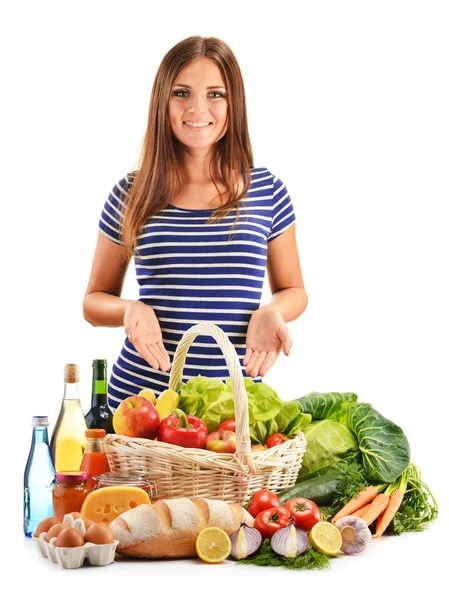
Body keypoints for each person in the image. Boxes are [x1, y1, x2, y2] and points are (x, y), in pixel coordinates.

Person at [83, 35, 308, 412]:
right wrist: (130, 310)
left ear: (233, 103)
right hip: (143, 405)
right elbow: (92, 302)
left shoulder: (266, 190)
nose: (197, 108)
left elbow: (295, 289)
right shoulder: (130, 193)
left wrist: (272, 311)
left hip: (230, 411)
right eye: (182, 93)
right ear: (163, 102)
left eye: (215, 94)